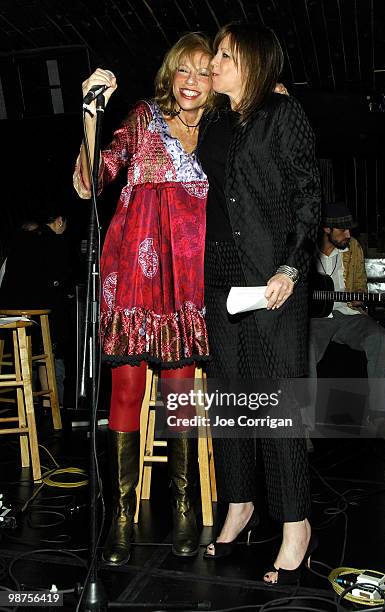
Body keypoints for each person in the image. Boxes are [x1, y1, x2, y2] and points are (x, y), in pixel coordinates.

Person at [73, 33, 216, 565]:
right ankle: (122, 517)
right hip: (133, 274)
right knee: (127, 389)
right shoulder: (143, 118)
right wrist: (91, 111)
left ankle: (182, 509)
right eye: (183, 70)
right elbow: (92, 180)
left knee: (178, 396)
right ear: (170, 74)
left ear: (215, 82)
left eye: (203, 72)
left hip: (187, 281)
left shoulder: (223, 132)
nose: (190, 82)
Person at [197, 23, 321, 584]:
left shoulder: (281, 113)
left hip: (274, 277)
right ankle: (240, 503)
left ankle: (296, 526)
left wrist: (291, 265)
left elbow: (306, 195)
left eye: (225, 54)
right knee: (229, 403)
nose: (215, 62)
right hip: (220, 276)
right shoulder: (215, 124)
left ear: (252, 61)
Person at [308, 201, 385, 424]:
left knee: (380, 339)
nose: (348, 234)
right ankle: (305, 424)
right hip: (316, 319)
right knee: (305, 349)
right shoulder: (306, 250)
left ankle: (378, 417)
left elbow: (360, 286)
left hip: (348, 314)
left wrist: (359, 297)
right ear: (326, 229)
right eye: (342, 229)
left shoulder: (353, 248)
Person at [0, 204, 75, 405]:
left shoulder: (19, 238)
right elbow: (60, 278)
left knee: (32, 355)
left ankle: (26, 406)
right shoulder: (53, 240)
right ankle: (53, 409)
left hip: (9, 315)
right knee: (51, 353)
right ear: (59, 221)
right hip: (39, 316)